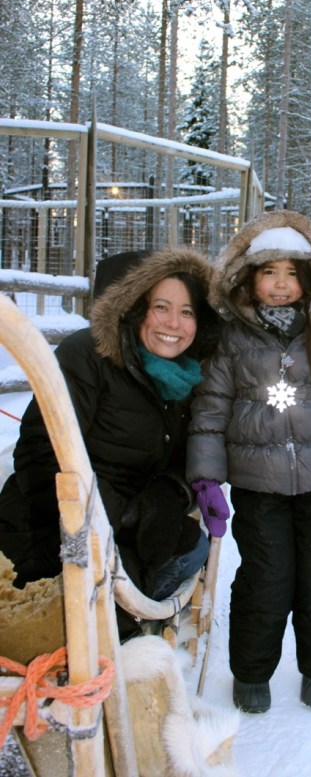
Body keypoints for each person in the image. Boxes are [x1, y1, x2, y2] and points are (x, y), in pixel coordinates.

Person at [187, 210, 311, 714]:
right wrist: (206, 476)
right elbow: (211, 412)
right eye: (268, 273)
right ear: (248, 278)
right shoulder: (232, 338)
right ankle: (252, 672)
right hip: (260, 488)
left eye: (290, 274)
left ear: (309, 279)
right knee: (265, 578)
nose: (280, 285)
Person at [0, 248, 220, 639]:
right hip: (53, 529)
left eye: (187, 312)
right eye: (161, 307)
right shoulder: (87, 355)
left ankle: (127, 618)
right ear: (135, 308)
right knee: (80, 637)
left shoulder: (189, 377)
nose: (174, 323)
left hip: (123, 540)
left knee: (193, 549)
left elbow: (192, 455)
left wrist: (172, 492)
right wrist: (120, 515)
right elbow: (39, 454)